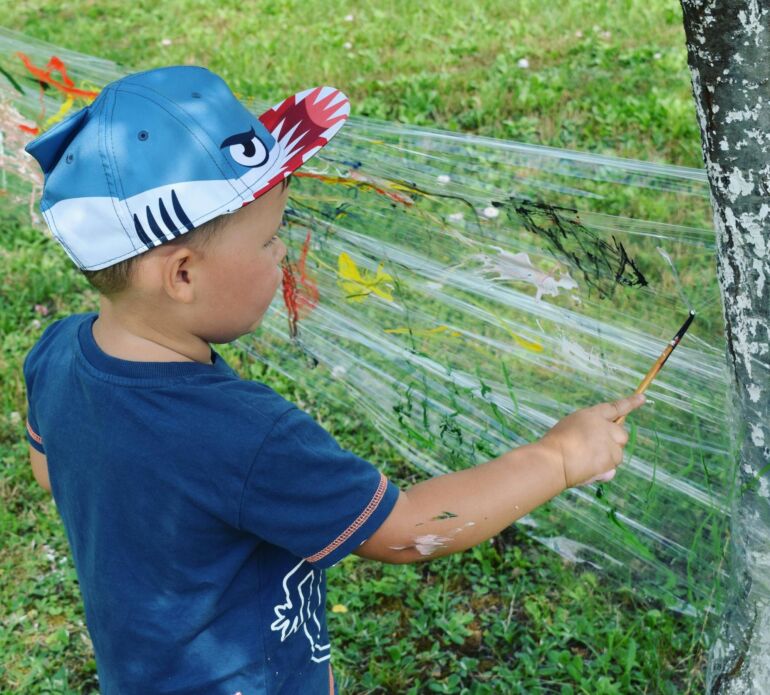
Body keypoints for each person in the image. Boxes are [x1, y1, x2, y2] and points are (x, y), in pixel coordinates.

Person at [22, 66, 645, 695]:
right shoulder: (246, 434)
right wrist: (559, 457)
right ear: (182, 275)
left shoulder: (57, 353)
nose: (283, 255)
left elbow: (52, 470)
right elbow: (410, 533)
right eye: (270, 241)